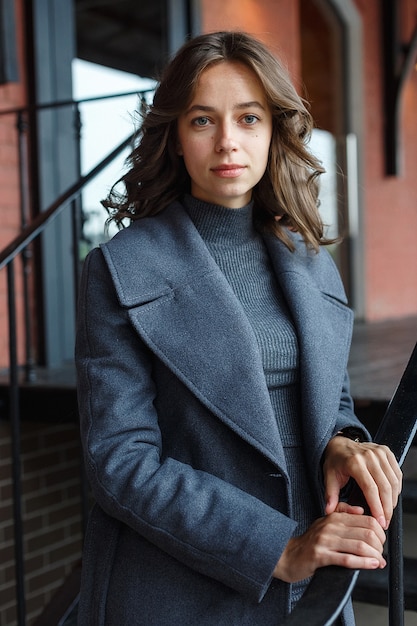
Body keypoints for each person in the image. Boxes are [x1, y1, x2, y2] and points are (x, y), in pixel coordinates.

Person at [75, 31, 402, 626]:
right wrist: (275, 548)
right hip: (187, 588)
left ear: (273, 129)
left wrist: (342, 442)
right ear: (175, 136)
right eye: (203, 120)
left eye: (248, 118)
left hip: (317, 584)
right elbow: (120, 460)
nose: (227, 141)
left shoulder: (308, 261)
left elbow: (332, 400)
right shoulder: (119, 269)